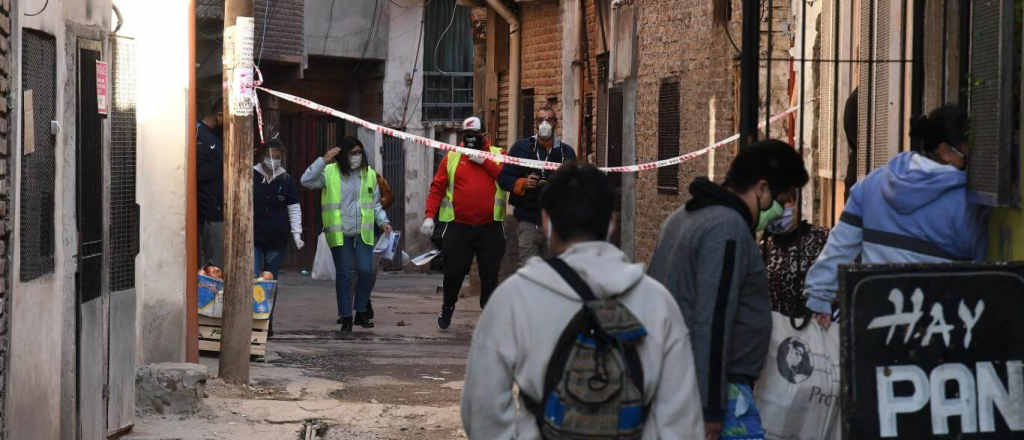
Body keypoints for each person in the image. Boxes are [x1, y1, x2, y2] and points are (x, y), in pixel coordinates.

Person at [462, 163, 704, 439]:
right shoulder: (658, 301)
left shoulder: (513, 297)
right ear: (611, 223)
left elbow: (482, 411)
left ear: (546, 222)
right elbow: (683, 421)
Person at [647, 140, 809, 440]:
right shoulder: (727, 227)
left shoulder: (685, 216)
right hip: (717, 392)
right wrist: (711, 408)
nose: (784, 210)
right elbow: (713, 319)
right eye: (783, 199)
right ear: (761, 188)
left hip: (678, 381)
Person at [804, 105, 988, 329]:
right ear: (946, 151)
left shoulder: (872, 185)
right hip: (938, 330)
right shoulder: (967, 203)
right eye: (968, 150)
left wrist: (819, 299)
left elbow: (839, 247)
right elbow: (985, 275)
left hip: (875, 324)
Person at [420, 116, 507, 330]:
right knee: (454, 271)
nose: (470, 139)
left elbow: (507, 179)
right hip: (459, 226)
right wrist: (430, 215)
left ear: (484, 136)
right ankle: (448, 305)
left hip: (490, 225)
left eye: (475, 136)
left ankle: (488, 310)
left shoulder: (498, 155)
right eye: (467, 136)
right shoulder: (452, 156)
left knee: (490, 272)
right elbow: (438, 188)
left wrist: (484, 161)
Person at [301, 136, 392, 332]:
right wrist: (322, 160)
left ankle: (360, 310)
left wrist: (383, 222)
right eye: (353, 153)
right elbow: (306, 181)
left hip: (363, 233)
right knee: (344, 274)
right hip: (339, 232)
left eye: (359, 153)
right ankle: (345, 317)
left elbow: (375, 205)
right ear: (343, 155)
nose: (357, 157)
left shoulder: (369, 174)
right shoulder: (329, 172)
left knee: (366, 270)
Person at [498, 104, 577, 263]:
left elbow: (576, 184)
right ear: (536, 123)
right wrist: (522, 183)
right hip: (529, 220)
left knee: (556, 272)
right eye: (541, 120)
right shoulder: (520, 148)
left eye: (549, 120)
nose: (545, 124)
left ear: (556, 123)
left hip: (557, 223)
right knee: (529, 272)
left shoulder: (566, 152)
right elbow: (503, 177)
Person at [253, 138, 304, 336]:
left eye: (277, 158)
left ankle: (267, 323)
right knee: (253, 278)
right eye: (269, 156)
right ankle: (253, 320)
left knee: (270, 281)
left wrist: (296, 233)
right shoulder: (251, 175)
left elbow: (294, 209)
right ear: (262, 155)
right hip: (254, 236)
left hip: (276, 238)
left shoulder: (287, 180)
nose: (273, 161)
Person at [760, 192, 830, 318]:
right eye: (769, 206)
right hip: (773, 330)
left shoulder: (824, 240)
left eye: (782, 203)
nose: (776, 210)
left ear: (796, 203)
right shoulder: (762, 248)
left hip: (813, 329)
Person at [197, 97, 225, 268]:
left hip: (223, 210)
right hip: (209, 213)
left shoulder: (220, 136)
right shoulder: (198, 134)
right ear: (219, 116)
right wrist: (225, 164)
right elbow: (197, 173)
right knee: (214, 268)